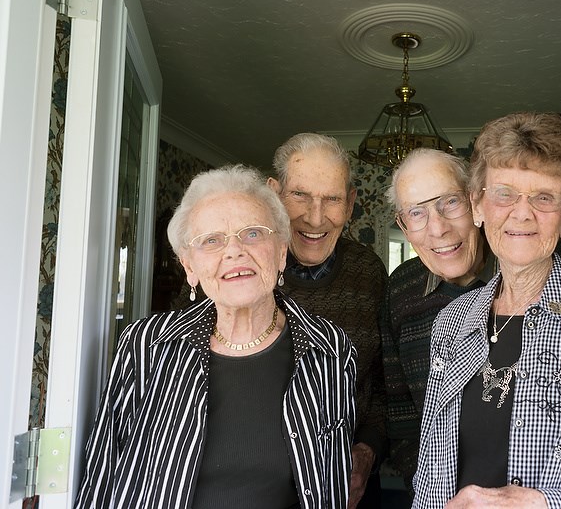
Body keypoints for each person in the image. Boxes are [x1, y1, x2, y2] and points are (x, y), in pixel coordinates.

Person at [75, 165, 357, 509]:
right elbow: (103, 473)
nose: (234, 251)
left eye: (253, 233)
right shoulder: (145, 344)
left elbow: (332, 484)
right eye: (211, 240)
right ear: (189, 267)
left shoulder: (329, 348)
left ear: (281, 251)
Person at [413, 112, 561, 508]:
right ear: (478, 205)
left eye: (544, 197)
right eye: (504, 193)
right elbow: (430, 467)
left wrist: (546, 505)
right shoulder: (452, 322)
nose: (522, 213)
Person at [268, 133, 388, 508]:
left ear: (350, 203)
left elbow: (385, 384)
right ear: (274, 193)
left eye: (332, 198)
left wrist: (367, 452)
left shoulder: (368, 272)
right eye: (300, 195)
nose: (315, 217)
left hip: (352, 488)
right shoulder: (240, 267)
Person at [380, 148, 495, 495]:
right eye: (417, 213)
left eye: (450, 202)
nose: (438, 229)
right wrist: (431, 484)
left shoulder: (526, 275)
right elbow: (400, 413)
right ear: (403, 225)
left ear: (475, 203)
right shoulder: (400, 288)